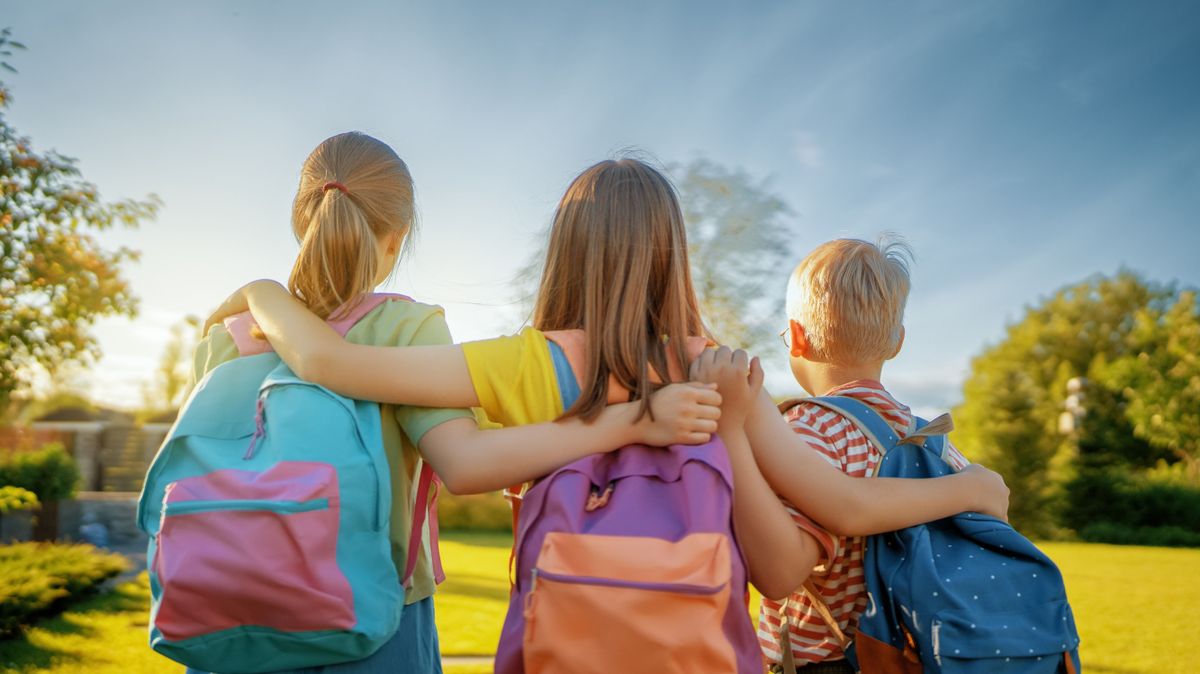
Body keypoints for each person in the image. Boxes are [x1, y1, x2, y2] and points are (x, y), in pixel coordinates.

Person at [208, 159, 1009, 604]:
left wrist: (261, 293)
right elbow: (831, 521)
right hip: (693, 645)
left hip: (560, 639)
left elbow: (331, 364)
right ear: (674, 252)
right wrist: (971, 488)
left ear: (566, 249)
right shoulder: (722, 370)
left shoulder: (521, 363)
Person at [191, 137, 721, 674]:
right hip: (370, 613)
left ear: (300, 220)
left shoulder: (225, 338)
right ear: (396, 239)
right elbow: (464, 462)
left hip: (227, 607)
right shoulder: (406, 328)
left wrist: (260, 292)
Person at [757, 237, 971, 674]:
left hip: (821, 660)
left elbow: (790, 558)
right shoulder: (935, 442)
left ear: (796, 337)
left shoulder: (807, 431)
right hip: (911, 656)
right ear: (897, 342)